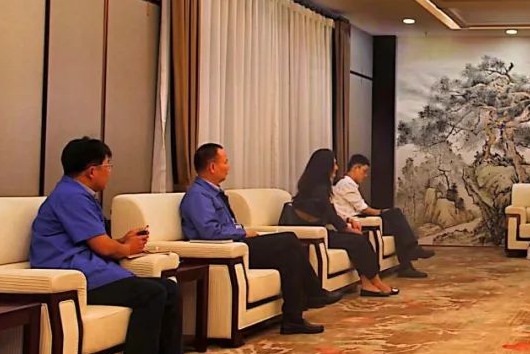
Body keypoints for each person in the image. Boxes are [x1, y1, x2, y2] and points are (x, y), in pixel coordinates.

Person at [30, 137, 215, 354]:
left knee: (169, 288)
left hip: (90, 270)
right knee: (152, 293)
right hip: (76, 277)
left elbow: (95, 242)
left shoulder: (78, 195)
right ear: (91, 170)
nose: (110, 171)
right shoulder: (71, 197)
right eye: (108, 165)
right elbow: (104, 248)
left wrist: (122, 242)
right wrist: (126, 248)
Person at [179, 143, 343, 335]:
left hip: (238, 246)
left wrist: (241, 231)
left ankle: (294, 317)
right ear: (212, 167)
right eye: (225, 162)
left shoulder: (212, 192)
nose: (228, 166)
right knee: (288, 241)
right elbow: (209, 232)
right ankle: (313, 295)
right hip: (228, 251)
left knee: (290, 253)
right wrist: (241, 233)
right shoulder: (198, 196)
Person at [291, 149, 398, 298]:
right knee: (359, 240)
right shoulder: (319, 189)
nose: (336, 168)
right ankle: (376, 282)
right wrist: (348, 229)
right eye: (334, 164)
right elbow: (331, 216)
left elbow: (330, 214)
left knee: (359, 240)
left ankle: (368, 284)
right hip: (313, 237)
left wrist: (348, 221)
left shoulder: (314, 186)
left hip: (322, 232)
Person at [333, 154, 434, 279]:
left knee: (396, 225)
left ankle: (407, 264)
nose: (366, 175)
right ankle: (410, 253)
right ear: (356, 168)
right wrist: (383, 212)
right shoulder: (346, 184)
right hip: (355, 221)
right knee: (394, 215)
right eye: (364, 171)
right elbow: (364, 209)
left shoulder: (349, 184)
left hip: (358, 218)